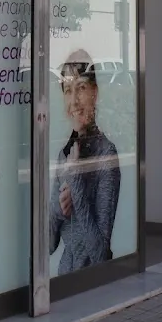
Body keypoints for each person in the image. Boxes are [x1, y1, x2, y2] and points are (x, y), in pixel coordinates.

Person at [49, 49, 121, 276]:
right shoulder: (65, 154)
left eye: (80, 88)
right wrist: (59, 209)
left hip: (93, 285)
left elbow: (100, 254)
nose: (73, 101)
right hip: (64, 280)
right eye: (67, 90)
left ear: (95, 93)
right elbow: (49, 245)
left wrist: (76, 186)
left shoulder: (106, 154)